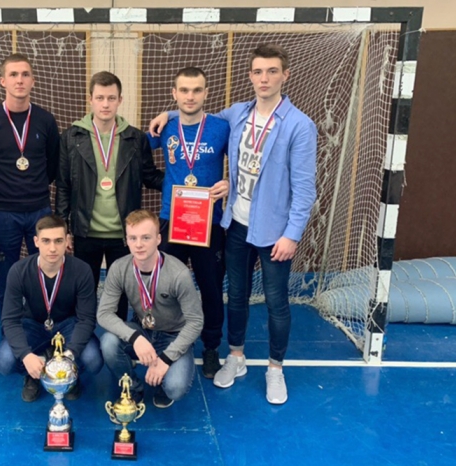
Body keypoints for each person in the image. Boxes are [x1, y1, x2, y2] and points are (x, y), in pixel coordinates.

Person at [150, 43, 317, 404]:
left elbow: (305, 189)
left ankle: (275, 369)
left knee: (275, 300)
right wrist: (167, 111)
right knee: (236, 295)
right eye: (258, 71)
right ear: (250, 76)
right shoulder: (238, 113)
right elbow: (192, 111)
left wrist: (292, 235)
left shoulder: (299, 125)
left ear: (285, 75)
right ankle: (236, 357)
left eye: (272, 71)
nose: (264, 78)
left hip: (272, 230)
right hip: (235, 223)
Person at [56, 71, 163, 321]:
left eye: (111, 98)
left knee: (121, 296)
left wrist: (187, 185)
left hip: (123, 235)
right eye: (100, 98)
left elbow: (150, 176)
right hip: (85, 232)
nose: (105, 104)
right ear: (90, 99)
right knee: (83, 295)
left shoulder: (135, 138)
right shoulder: (71, 137)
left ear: (120, 100)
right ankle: (83, 340)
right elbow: (63, 186)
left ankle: (119, 341)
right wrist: (64, 229)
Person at [146, 66, 229, 379]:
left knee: (211, 288)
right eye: (184, 90)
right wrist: (166, 115)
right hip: (172, 221)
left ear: (206, 93)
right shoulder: (164, 127)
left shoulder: (222, 128)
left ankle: (211, 348)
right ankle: (164, 340)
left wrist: (231, 182)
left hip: (210, 222)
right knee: (165, 287)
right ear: (174, 93)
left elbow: (243, 162)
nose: (190, 96)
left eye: (196, 90)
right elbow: (136, 150)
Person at [0, 53, 60, 317]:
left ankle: (41, 329)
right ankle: (9, 333)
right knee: (7, 277)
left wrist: (36, 185)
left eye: (25, 74)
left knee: (44, 275)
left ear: (33, 80)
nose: (19, 80)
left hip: (40, 211)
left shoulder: (46, 120)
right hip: (4, 213)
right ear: (3, 81)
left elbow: (54, 163)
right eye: (13, 75)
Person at [98, 209, 203, 409]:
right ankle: (133, 386)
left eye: (146, 237)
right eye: (133, 238)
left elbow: (196, 322)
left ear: (158, 239)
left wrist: (166, 358)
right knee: (108, 342)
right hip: (143, 331)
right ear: (127, 240)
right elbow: (103, 314)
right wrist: (135, 338)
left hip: (174, 335)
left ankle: (165, 379)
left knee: (175, 388)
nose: (139, 244)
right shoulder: (119, 268)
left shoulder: (178, 274)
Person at [0, 214, 103, 402]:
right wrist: (26, 356)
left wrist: (70, 357)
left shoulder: (82, 270)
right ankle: (32, 374)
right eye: (46, 241)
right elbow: (10, 320)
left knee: (93, 360)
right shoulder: (19, 271)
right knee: (4, 362)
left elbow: (86, 319)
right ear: (36, 241)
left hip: (68, 324)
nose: (52, 248)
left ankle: (71, 374)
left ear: (67, 241)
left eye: (58, 241)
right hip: (33, 324)